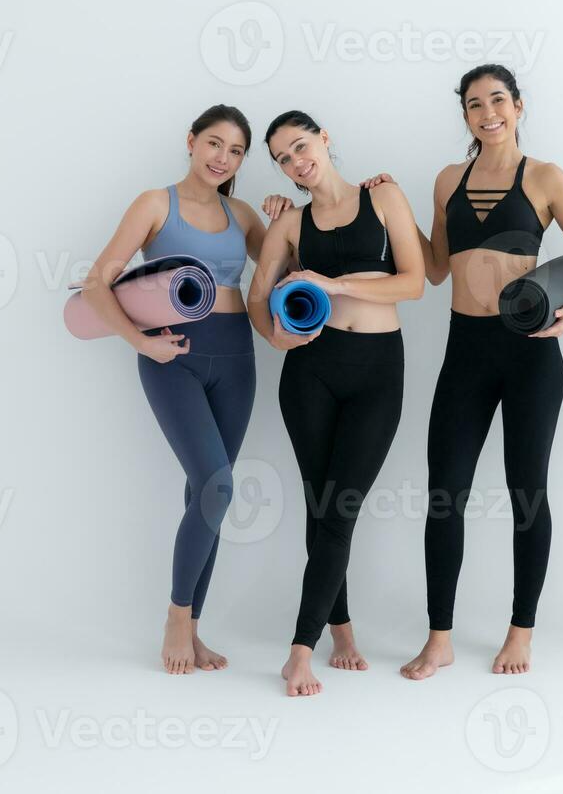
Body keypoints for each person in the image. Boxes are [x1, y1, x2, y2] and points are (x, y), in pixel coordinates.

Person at [363, 65, 563, 678]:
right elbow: (439, 267)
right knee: (445, 492)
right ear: (466, 117)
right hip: (465, 350)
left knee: (528, 493)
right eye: (474, 104)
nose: (487, 112)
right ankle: (439, 638)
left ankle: (521, 632)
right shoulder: (449, 179)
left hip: (529, 352)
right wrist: (392, 206)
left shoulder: (546, 177)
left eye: (498, 100)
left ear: (518, 107)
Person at [81, 105, 270, 675]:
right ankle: (177, 616)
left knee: (205, 494)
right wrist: (142, 343)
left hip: (237, 357)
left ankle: (194, 629)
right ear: (191, 142)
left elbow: (294, 255)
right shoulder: (152, 204)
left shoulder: (241, 212)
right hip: (173, 359)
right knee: (218, 484)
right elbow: (97, 283)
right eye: (214, 143)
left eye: (236, 151)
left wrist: (287, 214)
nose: (222, 158)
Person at [250, 111, 426, 697]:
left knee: (340, 506)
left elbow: (413, 281)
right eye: (282, 157)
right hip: (309, 374)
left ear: (325, 139)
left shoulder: (384, 196)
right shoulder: (291, 222)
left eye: (301, 146)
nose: (296, 161)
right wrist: (274, 336)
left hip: (378, 371)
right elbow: (257, 296)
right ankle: (329, 635)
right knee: (322, 504)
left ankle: (306, 642)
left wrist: (337, 283)